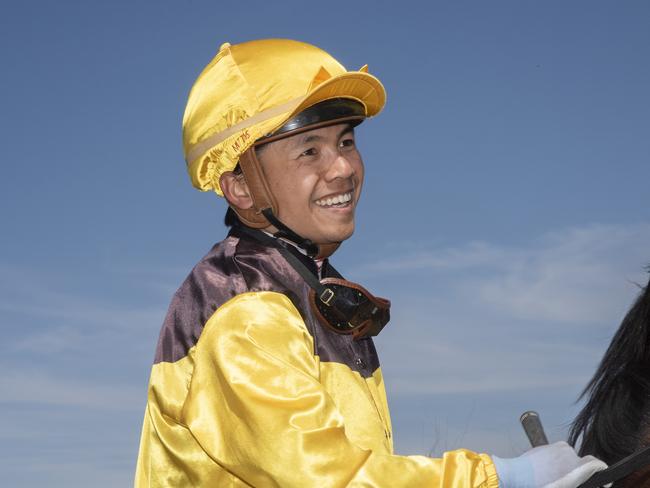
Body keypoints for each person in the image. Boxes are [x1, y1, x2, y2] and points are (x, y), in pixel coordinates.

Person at [135, 38, 607, 487]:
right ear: (240, 188)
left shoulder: (301, 282)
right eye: (309, 150)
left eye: (345, 142)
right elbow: (327, 476)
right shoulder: (245, 309)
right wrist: (505, 477)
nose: (343, 167)